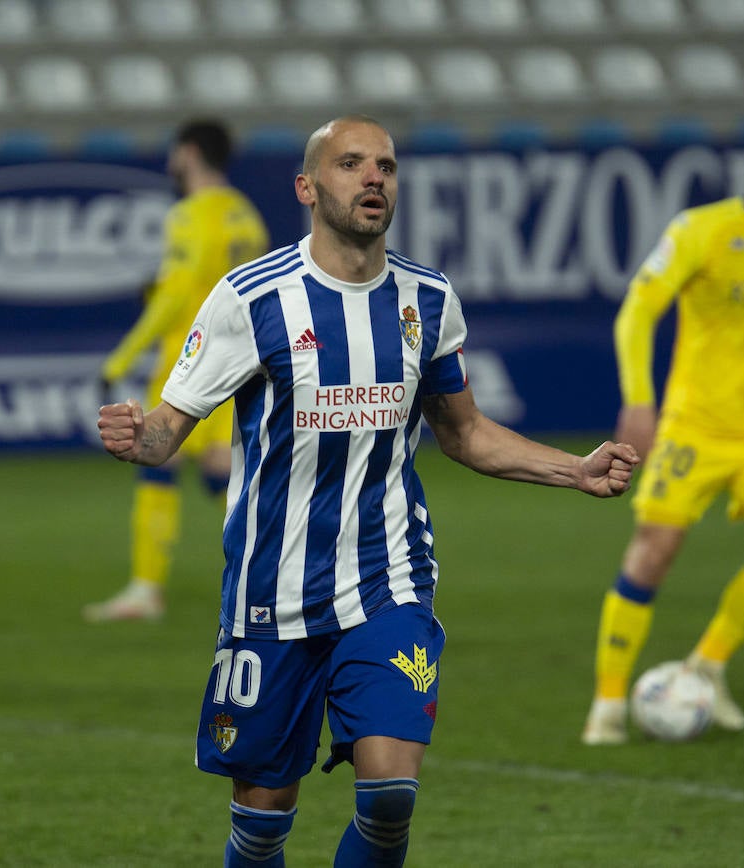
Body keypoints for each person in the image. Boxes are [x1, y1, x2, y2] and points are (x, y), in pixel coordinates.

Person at [98, 115, 639, 867]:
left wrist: (572, 469)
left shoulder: (427, 298)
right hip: (271, 592)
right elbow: (168, 430)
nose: (373, 177)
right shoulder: (251, 299)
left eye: (384, 165)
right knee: (260, 828)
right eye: (351, 164)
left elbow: (464, 431)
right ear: (308, 187)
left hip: (386, 580)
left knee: (389, 799)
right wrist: (137, 437)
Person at [581, 107, 744, 745]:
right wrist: (639, 402)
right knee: (651, 556)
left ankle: (707, 665)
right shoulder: (704, 230)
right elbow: (638, 312)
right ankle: (609, 705)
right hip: (695, 430)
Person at [84, 119, 269, 623]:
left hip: (187, 364)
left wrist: (121, 358)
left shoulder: (188, 216)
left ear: (188, 153)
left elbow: (174, 297)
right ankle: (281, 567)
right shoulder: (247, 217)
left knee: (158, 472)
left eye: (174, 153)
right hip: (238, 366)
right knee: (222, 478)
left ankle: (147, 590)